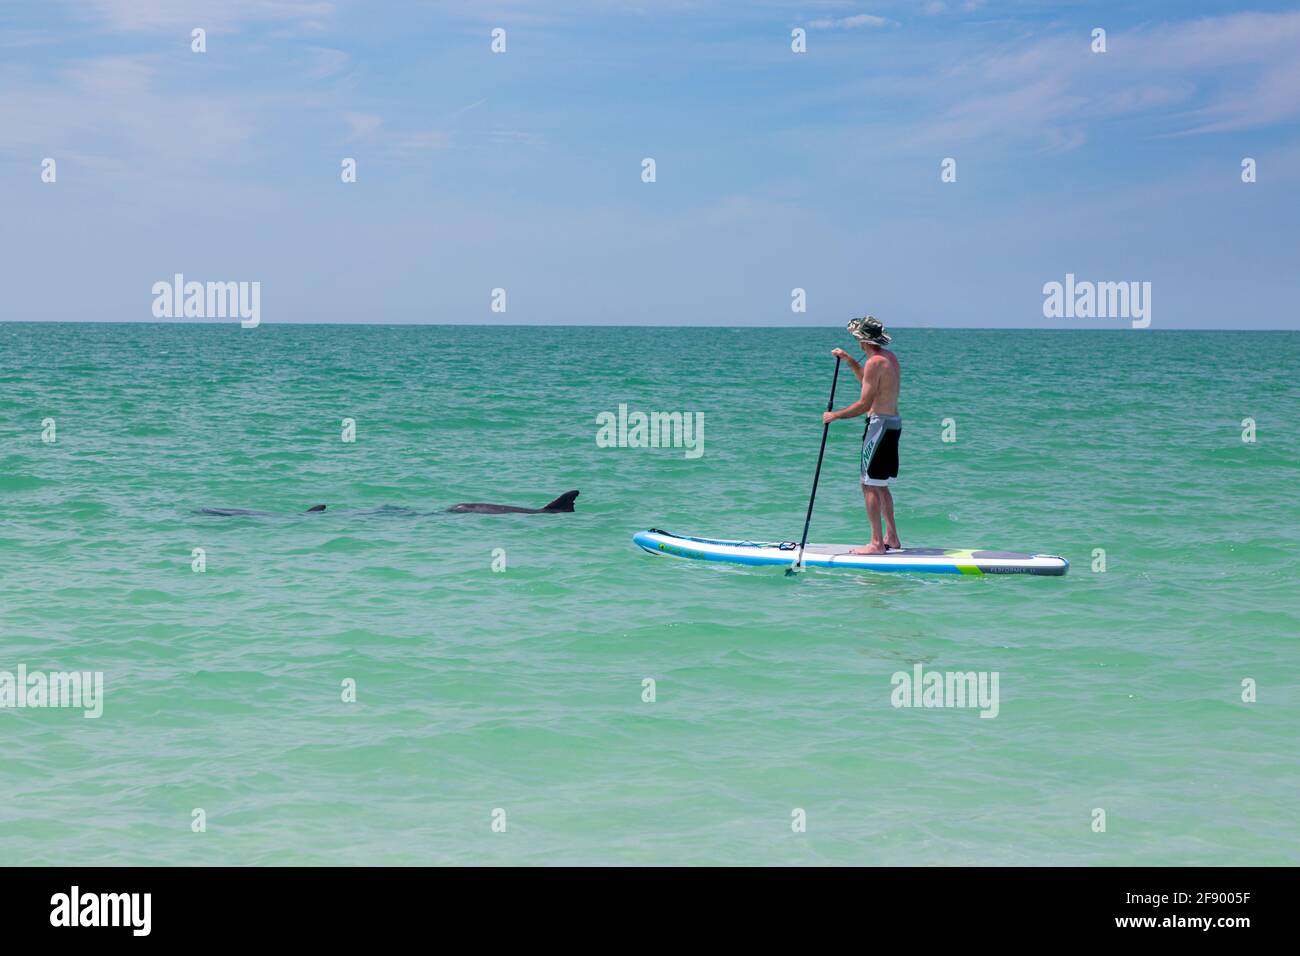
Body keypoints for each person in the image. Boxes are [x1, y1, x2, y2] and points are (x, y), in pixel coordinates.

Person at [822, 316, 902, 554]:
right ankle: (892, 539)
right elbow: (869, 384)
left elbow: (863, 403)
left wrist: (835, 416)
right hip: (893, 424)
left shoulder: (874, 362)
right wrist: (848, 361)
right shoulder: (888, 358)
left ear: (862, 339)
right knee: (881, 485)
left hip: (879, 426)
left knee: (868, 484)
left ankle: (877, 544)